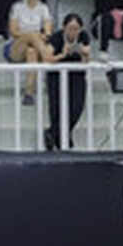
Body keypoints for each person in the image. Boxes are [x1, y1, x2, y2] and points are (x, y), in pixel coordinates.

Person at [43, 13, 92, 150]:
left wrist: (82, 51)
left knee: (76, 107)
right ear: (64, 27)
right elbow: (47, 57)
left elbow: (87, 58)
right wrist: (62, 55)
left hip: (77, 75)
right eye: (70, 28)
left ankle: (53, 133)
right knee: (56, 108)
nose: (73, 31)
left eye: (76, 28)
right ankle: (60, 138)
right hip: (56, 75)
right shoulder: (57, 37)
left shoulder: (83, 37)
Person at [7, 0, 53, 104]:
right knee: (31, 35)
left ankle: (29, 93)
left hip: (34, 46)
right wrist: (33, 35)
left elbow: (48, 32)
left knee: (31, 52)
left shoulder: (43, 8)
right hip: (17, 45)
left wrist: (38, 37)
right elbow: (13, 31)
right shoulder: (17, 7)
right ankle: (48, 59)